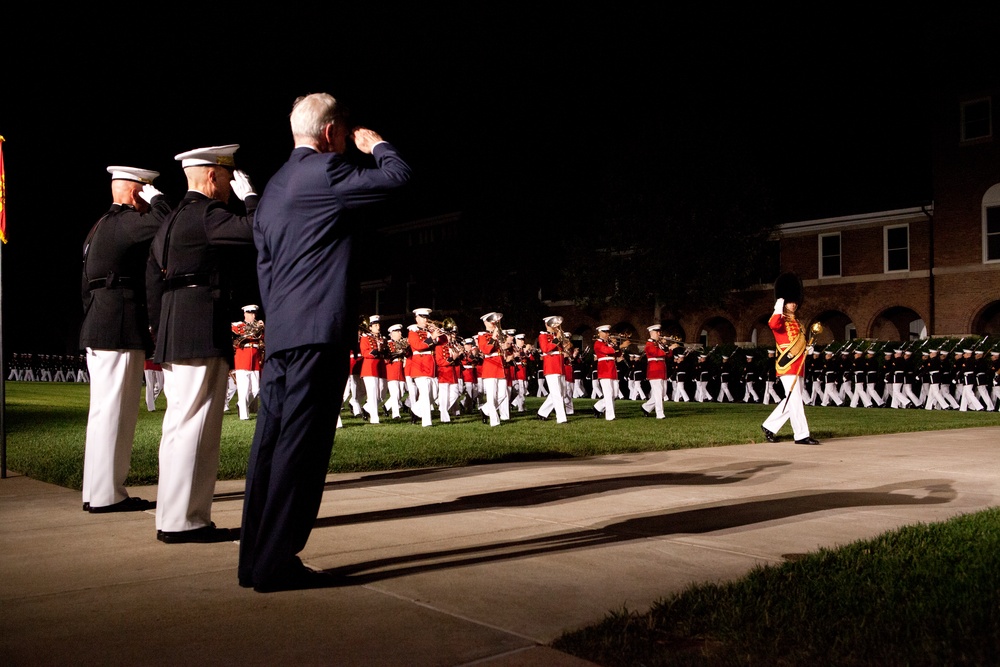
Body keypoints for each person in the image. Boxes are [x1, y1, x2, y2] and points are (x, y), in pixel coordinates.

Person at [238, 93, 411, 592]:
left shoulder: (272, 188)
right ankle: (277, 563)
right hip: (318, 334)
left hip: (284, 335)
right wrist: (377, 145)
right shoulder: (327, 172)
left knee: (268, 446)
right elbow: (398, 178)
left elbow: (265, 265)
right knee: (302, 450)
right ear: (332, 132)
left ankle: (254, 559)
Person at [146, 144, 258, 543]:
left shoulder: (172, 219)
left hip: (177, 325)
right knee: (197, 426)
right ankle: (187, 521)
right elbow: (256, 233)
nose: (230, 185)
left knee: (178, 424)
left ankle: (173, 516)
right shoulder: (207, 213)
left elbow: (152, 280)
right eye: (228, 177)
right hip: (199, 324)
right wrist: (252, 200)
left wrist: (160, 331)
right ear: (213, 176)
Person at [80, 165, 170, 514]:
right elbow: (166, 222)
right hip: (118, 326)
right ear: (136, 192)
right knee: (116, 414)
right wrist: (158, 199)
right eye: (145, 190)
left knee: (104, 413)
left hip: (100, 322)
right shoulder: (124, 222)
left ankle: (97, 491)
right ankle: (108, 495)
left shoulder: (99, 226)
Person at [760, 294, 820, 445]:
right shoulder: (780, 320)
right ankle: (801, 435)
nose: (792, 305)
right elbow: (773, 324)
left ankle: (769, 426)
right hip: (787, 363)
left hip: (799, 364)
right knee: (796, 400)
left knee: (792, 399)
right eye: (789, 302)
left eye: (794, 301)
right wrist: (778, 306)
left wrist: (808, 348)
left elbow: (799, 342)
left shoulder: (798, 323)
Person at [232, 304, 265, 420]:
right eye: (251, 313)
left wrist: (262, 327)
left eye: (254, 313)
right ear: (245, 314)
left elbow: (262, 340)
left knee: (256, 390)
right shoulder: (239, 325)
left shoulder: (259, 327)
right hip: (242, 359)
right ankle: (244, 415)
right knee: (243, 389)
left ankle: (241, 404)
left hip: (255, 360)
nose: (253, 315)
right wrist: (257, 327)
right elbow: (239, 331)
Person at [536, 316, 569, 423]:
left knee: (562, 393)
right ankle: (561, 418)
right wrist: (556, 339)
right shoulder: (543, 336)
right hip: (551, 366)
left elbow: (563, 347)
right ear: (547, 324)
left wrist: (564, 342)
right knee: (556, 394)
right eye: (553, 324)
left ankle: (542, 412)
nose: (556, 326)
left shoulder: (556, 335)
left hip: (560, 366)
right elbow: (545, 349)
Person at [592, 325, 622, 420]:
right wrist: (620, 346)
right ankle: (610, 416)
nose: (607, 334)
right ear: (599, 333)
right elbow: (606, 350)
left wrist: (617, 345)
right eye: (605, 332)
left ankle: (598, 407)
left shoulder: (609, 343)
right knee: (608, 393)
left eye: (608, 332)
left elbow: (618, 354)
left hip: (612, 369)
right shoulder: (597, 343)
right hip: (604, 369)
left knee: (615, 394)